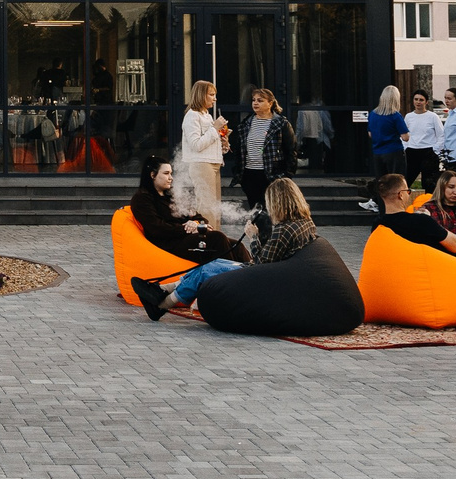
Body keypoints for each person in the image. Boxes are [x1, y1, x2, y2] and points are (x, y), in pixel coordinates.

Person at [134, 177, 316, 321]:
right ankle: (162, 288)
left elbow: (261, 262)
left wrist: (254, 238)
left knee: (206, 271)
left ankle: (161, 305)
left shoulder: (283, 230)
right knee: (214, 263)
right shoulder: (304, 222)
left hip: (262, 277)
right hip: (274, 274)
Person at [370, 170, 456, 295]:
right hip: (453, 263)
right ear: (401, 195)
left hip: (422, 268)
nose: (409, 195)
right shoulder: (421, 220)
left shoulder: (378, 224)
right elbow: (455, 247)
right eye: (408, 191)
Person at [128, 157, 229, 260]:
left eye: (171, 173)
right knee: (218, 238)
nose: (171, 178)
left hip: (184, 238)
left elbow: (199, 218)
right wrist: (189, 230)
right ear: (153, 175)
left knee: (235, 245)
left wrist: (196, 224)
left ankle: (242, 273)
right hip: (168, 244)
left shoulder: (172, 195)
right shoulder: (142, 198)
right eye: (166, 173)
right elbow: (157, 228)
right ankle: (228, 274)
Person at [174, 81, 227, 222]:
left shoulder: (207, 115)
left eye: (215, 95)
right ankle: (207, 239)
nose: (214, 99)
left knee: (214, 206)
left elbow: (208, 141)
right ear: (201, 95)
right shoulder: (192, 116)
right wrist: (215, 129)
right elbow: (196, 145)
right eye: (211, 94)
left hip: (213, 162)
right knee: (206, 207)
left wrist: (223, 141)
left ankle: (215, 238)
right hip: (202, 164)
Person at [238, 87, 296, 212]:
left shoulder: (281, 123)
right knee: (255, 210)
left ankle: (269, 232)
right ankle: (256, 231)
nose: (255, 103)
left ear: (270, 103)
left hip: (271, 174)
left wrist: (286, 175)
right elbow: (241, 149)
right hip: (250, 174)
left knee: (270, 210)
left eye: (260, 100)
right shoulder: (246, 123)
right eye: (253, 100)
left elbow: (291, 151)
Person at [401, 93, 441, 185]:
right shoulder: (408, 116)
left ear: (426, 102)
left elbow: (441, 135)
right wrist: (406, 147)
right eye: (416, 99)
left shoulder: (433, 116)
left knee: (429, 183)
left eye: (421, 100)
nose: (418, 102)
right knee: (406, 181)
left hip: (429, 151)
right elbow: (404, 134)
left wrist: (436, 150)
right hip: (412, 152)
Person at [367, 85, 406, 177]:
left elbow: (370, 134)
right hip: (394, 151)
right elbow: (405, 137)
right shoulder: (395, 115)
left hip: (377, 152)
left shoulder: (373, 114)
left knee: (382, 182)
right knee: (396, 181)